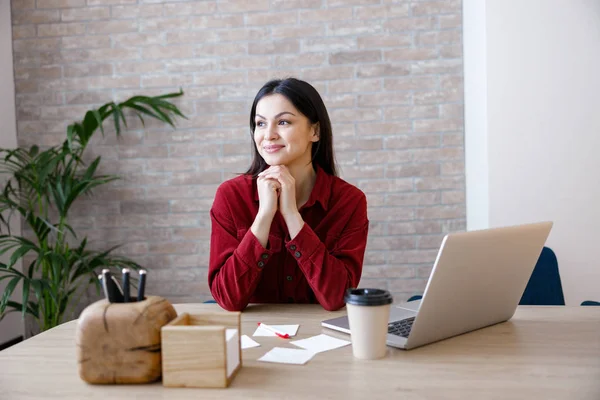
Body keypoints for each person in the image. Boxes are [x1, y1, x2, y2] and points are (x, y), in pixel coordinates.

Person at [208, 78, 369, 312]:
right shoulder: (231, 196)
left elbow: (337, 297)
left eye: (283, 122)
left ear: (315, 131)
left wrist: (292, 215)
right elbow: (228, 299)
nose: (269, 135)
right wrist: (264, 217)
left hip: (319, 336)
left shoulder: (349, 201)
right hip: (251, 336)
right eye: (260, 124)